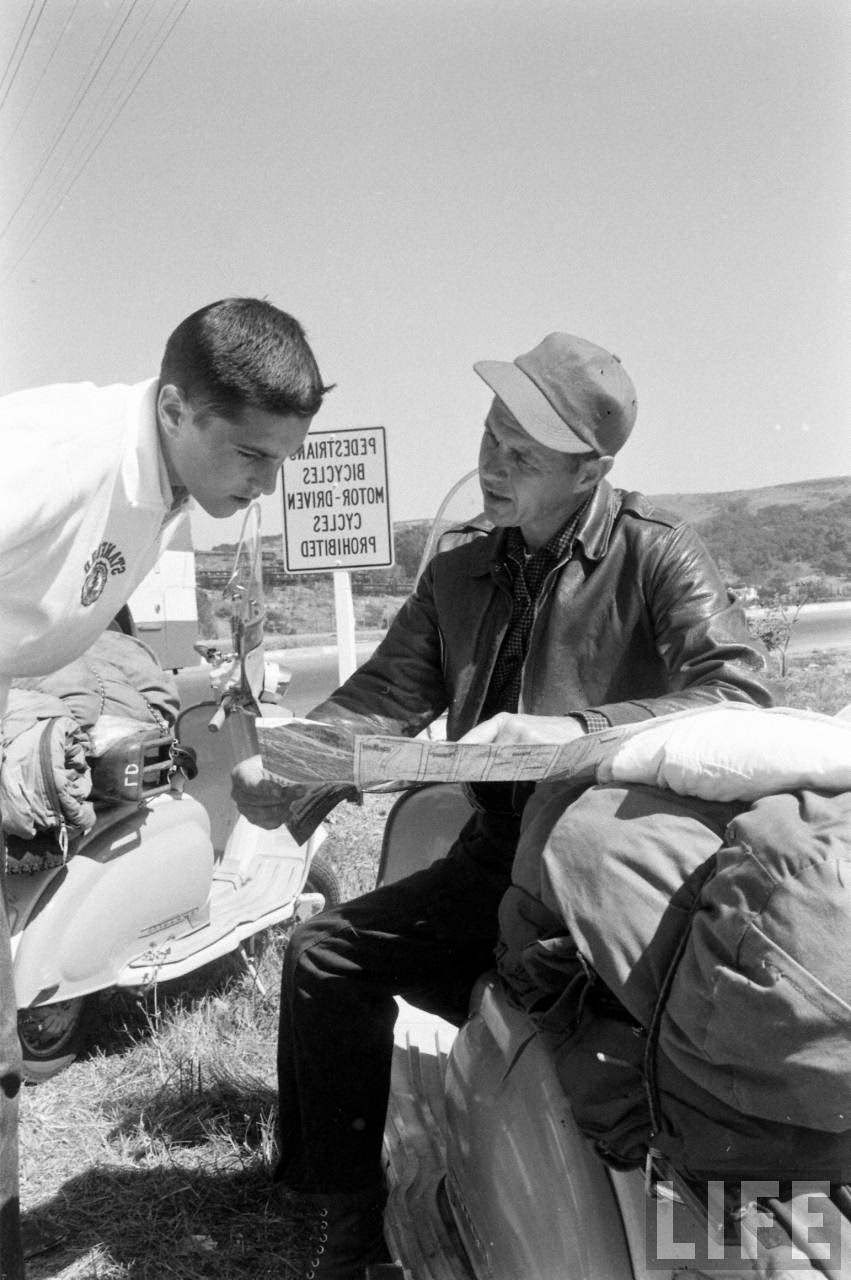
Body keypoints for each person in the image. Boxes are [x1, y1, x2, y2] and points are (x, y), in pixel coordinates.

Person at [233, 331, 774, 1280]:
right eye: (489, 436)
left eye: (523, 455)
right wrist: (289, 763)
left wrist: (580, 733)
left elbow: (736, 697)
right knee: (324, 955)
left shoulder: (656, 557)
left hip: (611, 866)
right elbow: (381, 695)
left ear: (590, 471)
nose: (492, 465)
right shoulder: (459, 570)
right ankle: (337, 1219)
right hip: (496, 858)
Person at [0, 297, 329, 1278]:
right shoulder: (60, 461)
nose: (265, 486)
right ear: (179, 408)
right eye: (252, 457)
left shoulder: (162, 480)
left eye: (281, 461)